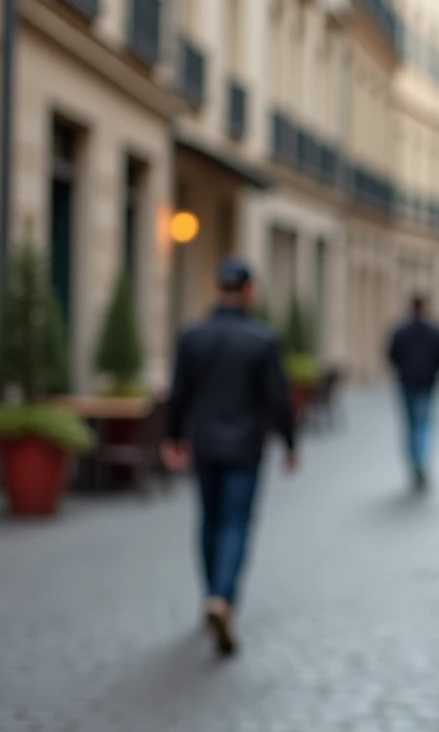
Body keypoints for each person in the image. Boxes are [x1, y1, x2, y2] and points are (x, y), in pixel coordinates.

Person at [161, 256, 297, 657]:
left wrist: (172, 437)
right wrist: (290, 442)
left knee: (209, 519)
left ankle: (210, 595)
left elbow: (178, 392)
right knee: (236, 522)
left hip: (204, 443)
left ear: (219, 288)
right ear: (249, 291)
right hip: (245, 446)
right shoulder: (262, 339)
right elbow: (279, 397)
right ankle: (223, 597)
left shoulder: (192, 336)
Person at [387, 295, 439, 491]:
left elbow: (392, 355)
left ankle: (415, 464)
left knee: (411, 424)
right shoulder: (434, 330)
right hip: (427, 383)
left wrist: (404, 369)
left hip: (407, 382)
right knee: (423, 424)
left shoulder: (401, 330)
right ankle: (421, 462)